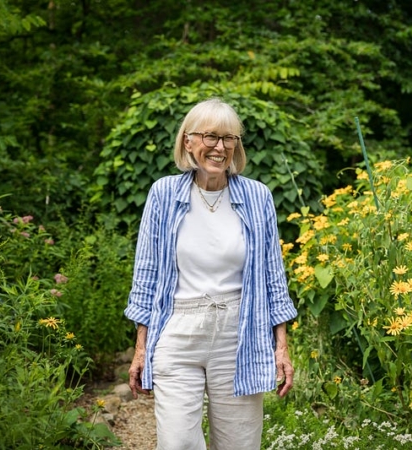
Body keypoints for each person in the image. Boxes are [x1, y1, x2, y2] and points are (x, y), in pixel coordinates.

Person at [125, 98, 298, 450]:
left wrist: (281, 347)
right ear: (188, 141)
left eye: (229, 138)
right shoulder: (164, 193)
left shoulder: (257, 197)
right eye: (210, 137)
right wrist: (141, 349)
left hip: (239, 334)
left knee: (239, 444)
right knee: (176, 443)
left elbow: (272, 277)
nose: (220, 148)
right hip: (178, 332)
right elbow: (146, 275)